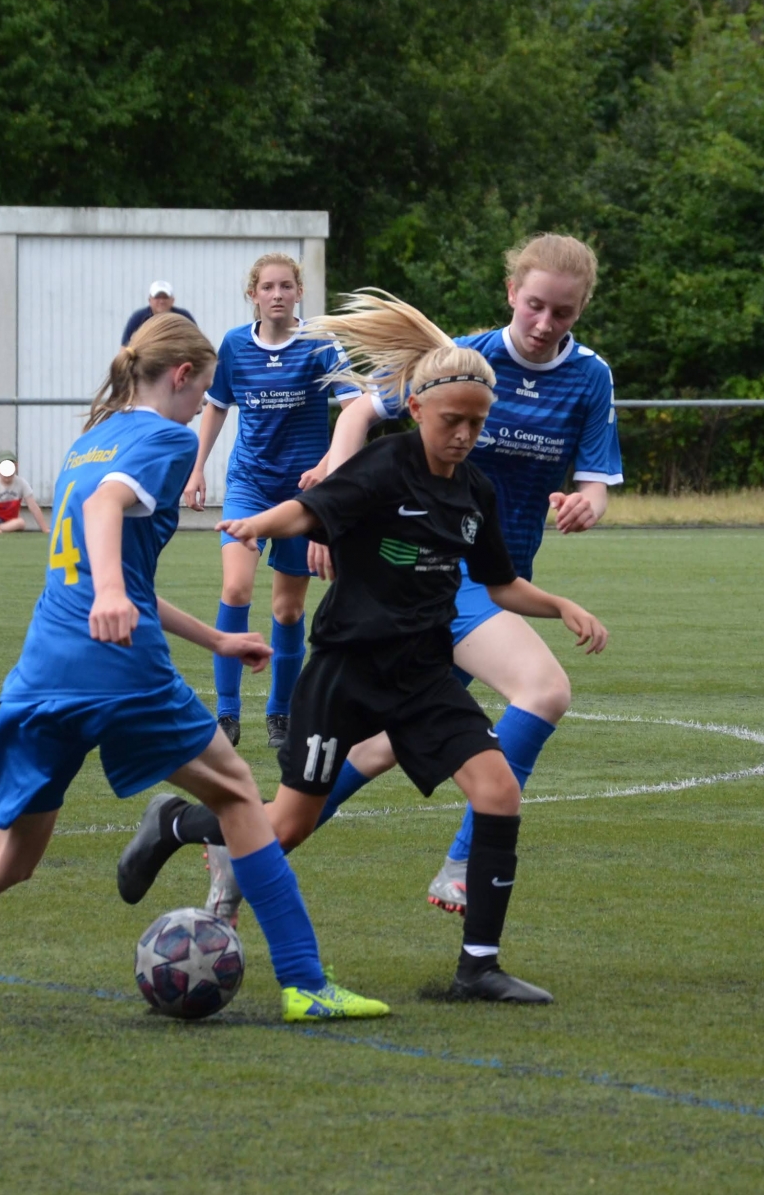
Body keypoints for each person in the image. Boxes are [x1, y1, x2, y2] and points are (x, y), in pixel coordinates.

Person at [0, 315, 387, 1026]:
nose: (204, 409)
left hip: (44, 668)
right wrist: (109, 594)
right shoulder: (168, 439)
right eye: (203, 391)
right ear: (182, 376)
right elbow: (105, 513)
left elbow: (115, 566)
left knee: (4, 859)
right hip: (119, 668)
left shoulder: (90, 442)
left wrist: (213, 640)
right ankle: (305, 984)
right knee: (239, 797)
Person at [114, 292, 609, 1005]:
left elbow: (501, 584)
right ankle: (178, 822)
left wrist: (560, 605)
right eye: (452, 420)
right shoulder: (383, 467)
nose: (464, 435)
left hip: (422, 678)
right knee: (288, 824)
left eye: (477, 423)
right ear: (417, 409)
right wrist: (256, 525)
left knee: (499, 790)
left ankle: (478, 967)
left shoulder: (476, 492)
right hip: (346, 673)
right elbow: (310, 510)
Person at [270, 234, 622, 918]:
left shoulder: (590, 376)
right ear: (511, 293)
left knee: (380, 750)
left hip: (496, 581)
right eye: (535, 305)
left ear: (581, 310)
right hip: (437, 576)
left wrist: (588, 504)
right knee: (544, 690)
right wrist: (335, 501)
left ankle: (248, 848)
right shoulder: (465, 361)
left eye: (563, 312)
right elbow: (360, 410)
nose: (545, 323)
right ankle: (465, 861)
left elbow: (595, 480)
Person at [185, 253, 358, 749]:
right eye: (267, 287)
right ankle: (226, 714)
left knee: (286, 611)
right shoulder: (235, 344)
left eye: (286, 286)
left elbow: (355, 408)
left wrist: (328, 466)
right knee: (236, 589)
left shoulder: (321, 341)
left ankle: (280, 713)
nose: (277, 294)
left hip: (303, 493)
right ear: (253, 295)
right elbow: (217, 406)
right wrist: (197, 468)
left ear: (299, 292)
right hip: (250, 485)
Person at [121, 280, 195, 346]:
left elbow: (197, 341)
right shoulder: (138, 318)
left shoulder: (183, 317)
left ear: (172, 300)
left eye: (165, 297)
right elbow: (125, 347)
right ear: (150, 300)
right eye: (157, 297)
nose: (161, 301)